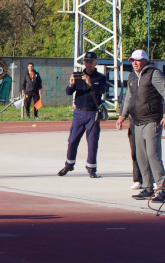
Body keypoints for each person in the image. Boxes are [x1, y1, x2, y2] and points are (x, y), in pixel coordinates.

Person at [116, 49, 165, 202]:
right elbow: (129, 98)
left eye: (137, 60)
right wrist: (122, 115)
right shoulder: (132, 76)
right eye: (132, 60)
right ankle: (148, 187)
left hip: (152, 120)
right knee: (141, 156)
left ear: (145, 60)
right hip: (137, 121)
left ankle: (162, 188)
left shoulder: (153, 74)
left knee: (152, 154)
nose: (135, 63)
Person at [57, 51, 107, 178]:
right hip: (79, 112)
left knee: (92, 141)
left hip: (92, 113)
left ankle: (91, 169)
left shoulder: (100, 77)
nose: (88, 64)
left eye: (90, 62)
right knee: (72, 139)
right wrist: (71, 84)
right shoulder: (78, 75)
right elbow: (68, 92)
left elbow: (101, 90)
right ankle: (69, 164)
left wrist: (90, 84)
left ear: (95, 63)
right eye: (86, 62)